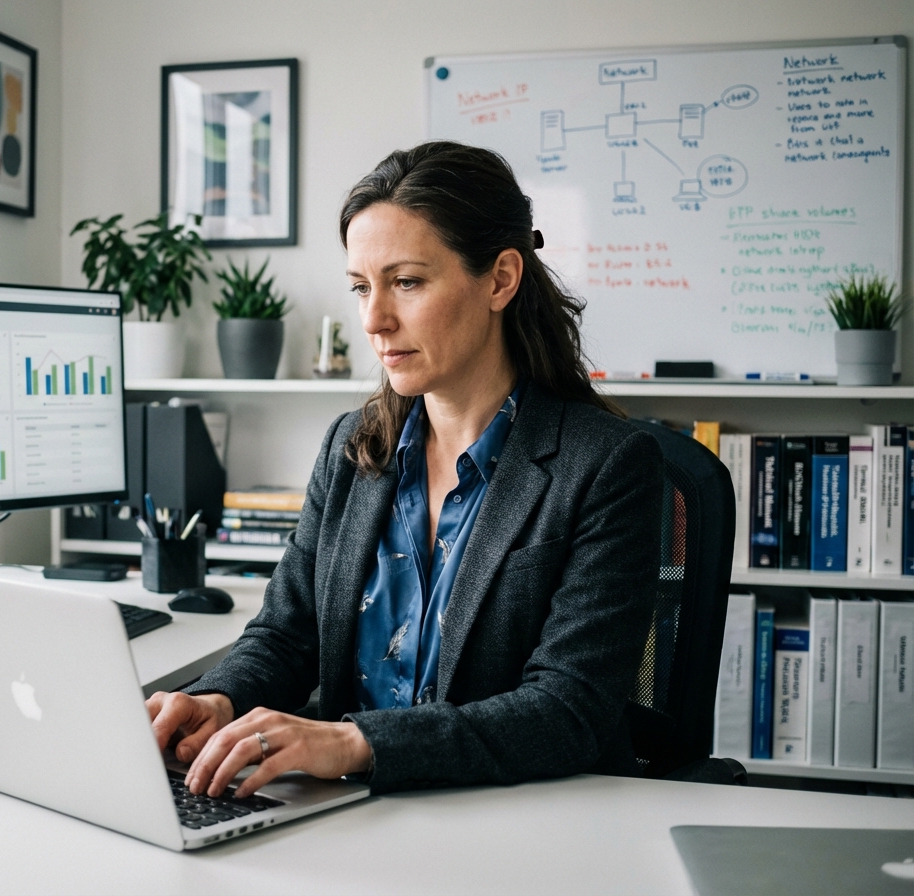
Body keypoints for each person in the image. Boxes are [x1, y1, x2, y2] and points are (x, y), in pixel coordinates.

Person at [147, 141, 664, 797]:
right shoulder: (353, 449)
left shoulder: (607, 465)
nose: (373, 319)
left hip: (521, 819)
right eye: (362, 287)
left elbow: (568, 709)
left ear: (501, 279)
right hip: (349, 815)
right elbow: (285, 635)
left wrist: (353, 743)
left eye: (408, 282)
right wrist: (219, 699)